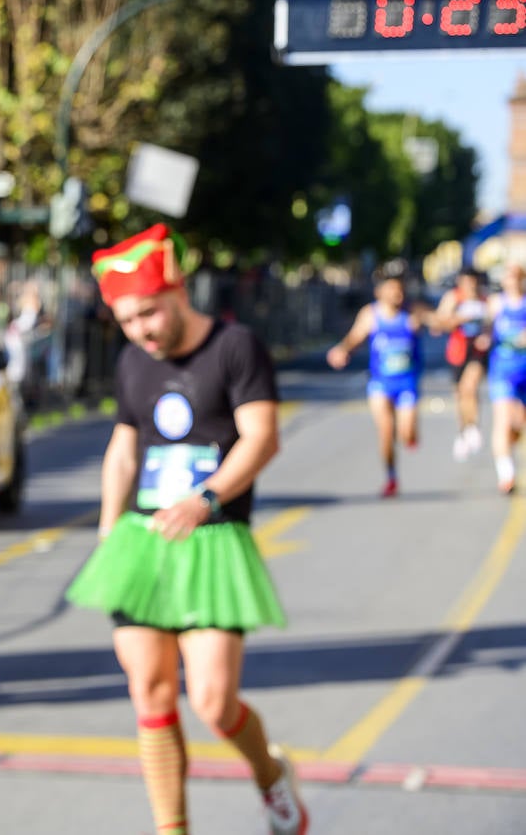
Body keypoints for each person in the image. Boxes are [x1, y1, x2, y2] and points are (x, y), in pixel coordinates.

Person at [66, 224, 306, 835]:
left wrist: (205, 499)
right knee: (149, 693)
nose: (141, 330)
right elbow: (124, 447)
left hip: (215, 540)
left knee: (213, 701)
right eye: (126, 321)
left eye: (148, 313)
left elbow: (262, 438)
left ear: (176, 292)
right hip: (143, 543)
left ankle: (270, 774)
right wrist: (106, 529)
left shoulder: (235, 347)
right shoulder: (131, 362)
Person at [326, 268, 435, 498]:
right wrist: (343, 350)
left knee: (406, 435)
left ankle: (408, 433)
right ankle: (391, 477)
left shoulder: (413, 312)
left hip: (407, 382)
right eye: (392, 289)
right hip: (380, 383)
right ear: (380, 292)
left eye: (400, 289)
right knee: (385, 432)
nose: (398, 294)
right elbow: (355, 337)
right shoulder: (371, 314)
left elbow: (439, 321)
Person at [436, 267, 488, 461]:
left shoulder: (485, 300)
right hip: (457, 352)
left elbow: (493, 324)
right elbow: (439, 322)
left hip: (478, 351)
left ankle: (474, 426)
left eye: (473, 281)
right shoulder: (453, 298)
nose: (471, 285)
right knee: (460, 395)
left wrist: (487, 335)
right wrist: (459, 318)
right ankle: (463, 431)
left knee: (470, 387)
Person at [484, 261, 526, 493]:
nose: (513, 281)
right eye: (509, 276)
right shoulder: (495, 304)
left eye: (517, 276)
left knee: (518, 424)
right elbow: (485, 329)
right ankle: (506, 474)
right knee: (502, 421)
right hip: (502, 371)